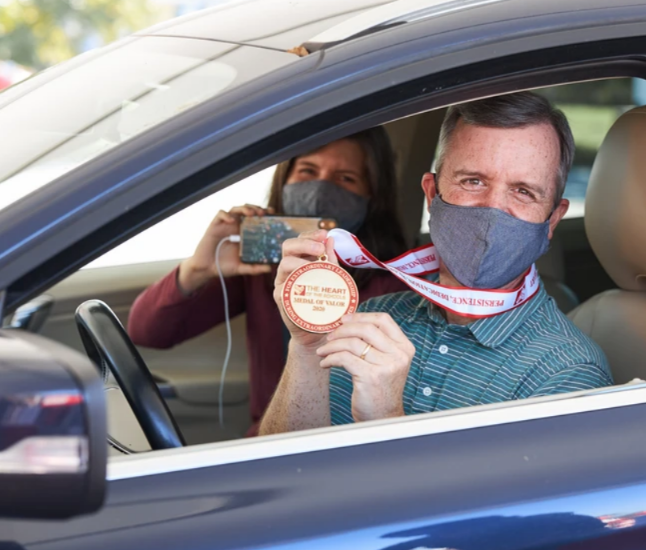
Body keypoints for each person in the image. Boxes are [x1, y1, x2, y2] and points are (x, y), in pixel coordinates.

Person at [259, 92, 613, 436]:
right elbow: (282, 470)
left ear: (552, 220)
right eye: (473, 181)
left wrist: (386, 420)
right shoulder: (375, 317)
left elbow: (499, 500)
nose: (492, 210)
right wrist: (306, 347)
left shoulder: (569, 374)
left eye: (523, 191)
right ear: (431, 195)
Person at [127, 127, 409, 436]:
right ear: (283, 179)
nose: (320, 190)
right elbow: (146, 331)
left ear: (372, 195)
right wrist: (198, 269)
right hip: (269, 437)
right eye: (308, 171)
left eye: (346, 179)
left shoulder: (396, 283)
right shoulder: (261, 267)